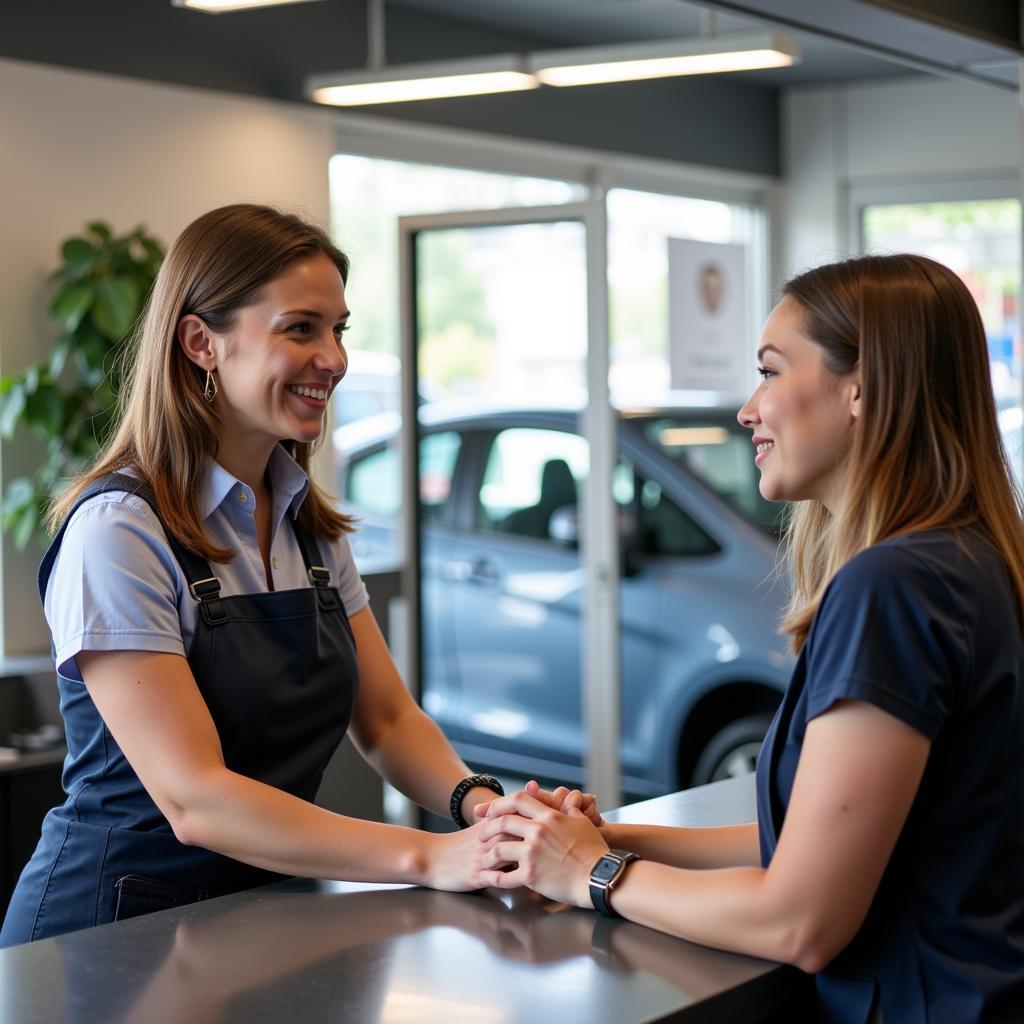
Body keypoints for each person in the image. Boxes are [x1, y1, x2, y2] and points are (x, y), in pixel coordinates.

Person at [0, 203, 594, 946]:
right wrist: (432, 855)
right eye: (301, 328)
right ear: (200, 343)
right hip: (110, 931)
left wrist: (479, 807)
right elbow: (196, 801)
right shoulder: (120, 532)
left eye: (339, 329)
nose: (336, 358)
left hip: (259, 920)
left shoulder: (304, 524)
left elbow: (387, 720)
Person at [476, 254, 1024, 1022]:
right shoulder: (970, 558)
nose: (747, 409)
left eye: (770, 371)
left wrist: (593, 875)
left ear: (862, 387)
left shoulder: (894, 587)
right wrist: (602, 838)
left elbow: (799, 921)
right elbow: (806, 842)